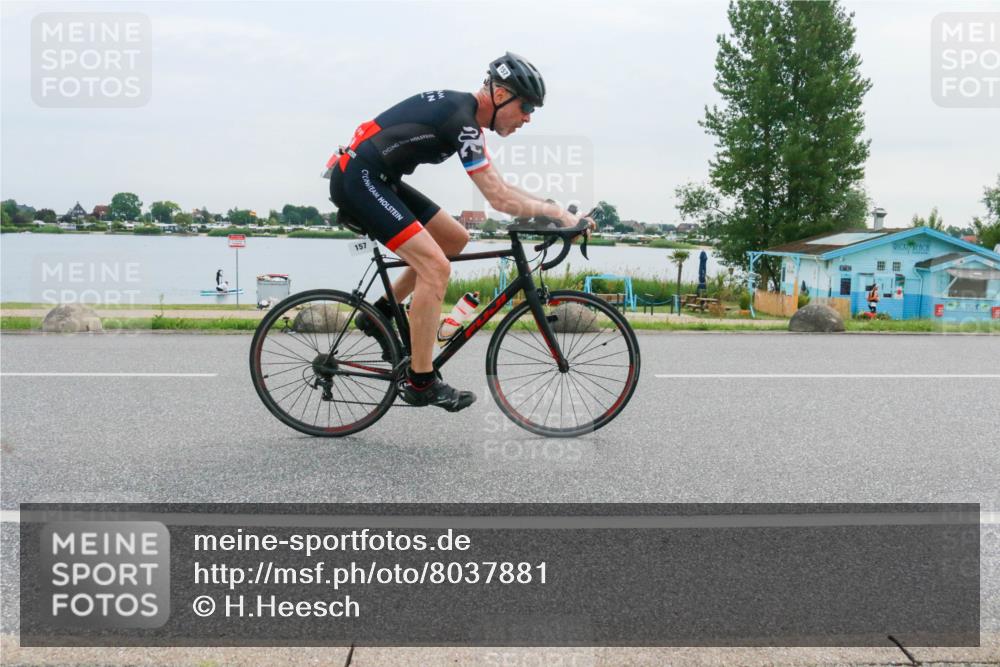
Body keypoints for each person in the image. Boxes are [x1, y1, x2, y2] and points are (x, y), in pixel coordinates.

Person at [327, 52, 593, 412]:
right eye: (527, 106)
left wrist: (556, 211)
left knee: (455, 239)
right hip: (359, 180)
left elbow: (502, 186)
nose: (528, 118)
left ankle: (382, 313)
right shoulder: (462, 122)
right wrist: (555, 214)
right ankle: (421, 381)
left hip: (379, 179)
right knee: (436, 268)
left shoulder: (466, 118)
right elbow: (498, 198)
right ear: (500, 95)